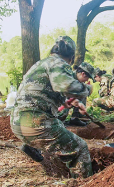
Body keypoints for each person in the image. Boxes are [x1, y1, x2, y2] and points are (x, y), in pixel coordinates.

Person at [10, 36, 93, 178]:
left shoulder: (41, 63)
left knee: (59, 124)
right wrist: (87, 89)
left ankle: (32, 146)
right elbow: (67, 86)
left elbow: (44, 90)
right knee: (80, 148)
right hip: (36, 123)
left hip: (17, 123)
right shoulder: (59, 63)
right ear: (71, 57)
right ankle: (84, 182)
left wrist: (64, 102)